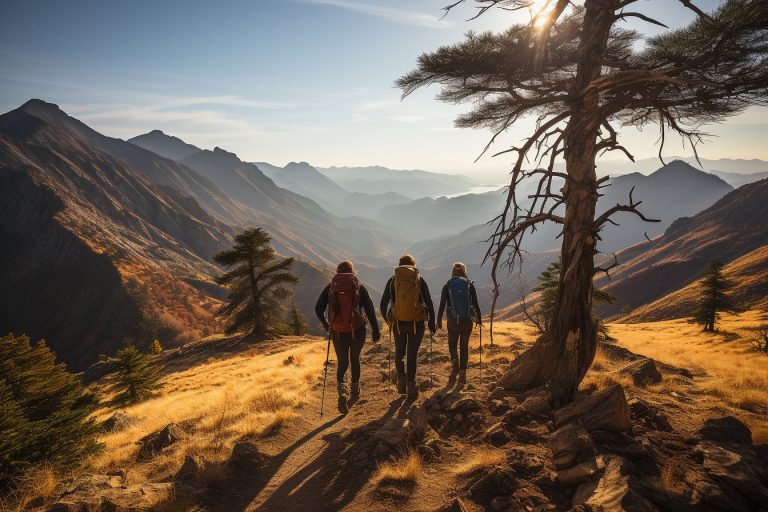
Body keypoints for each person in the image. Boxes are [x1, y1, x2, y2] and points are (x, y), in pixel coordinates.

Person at [315, 261, 380, 414]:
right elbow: (370, 310)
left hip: (338, 332)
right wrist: (375, 331)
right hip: (357, 331)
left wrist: (327, 325)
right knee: (355, 359)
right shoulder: (359, 287)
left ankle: (342, 393)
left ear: (338, 271)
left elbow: (318, 308)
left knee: (342, 362)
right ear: (352, 271)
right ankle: (355, 391)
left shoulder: (331, 287)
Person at [380, 254, 436, 399]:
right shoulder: (419, 279)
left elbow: (383, 304)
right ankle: (411, 387)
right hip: (416, 323)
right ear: (413, 265)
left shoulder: (393, 280)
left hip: (398, 323)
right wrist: (431, 322)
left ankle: (401, 383)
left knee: (399, 352)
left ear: (399, 265)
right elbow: (429, 302)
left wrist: (388, 320)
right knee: (412, 354)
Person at [437, 262, 482, 384]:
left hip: (452, 321)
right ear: (464, 271)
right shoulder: (469, 285)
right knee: (464, 346)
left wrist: (439, 320)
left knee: (452, 342)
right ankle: (462, 372)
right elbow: (476, 303)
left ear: (453, 272)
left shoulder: (447, 285)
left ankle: (454, 360)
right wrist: (479, 319)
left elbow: (442, 304)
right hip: (467, 321)